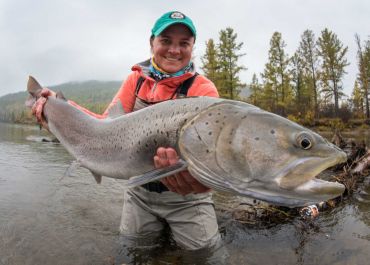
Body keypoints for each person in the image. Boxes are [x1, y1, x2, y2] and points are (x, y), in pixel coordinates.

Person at [32, 11, 221, 253]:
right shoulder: (136, 80)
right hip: (139, 195)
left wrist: (202, 184)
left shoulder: (203, 89)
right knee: (133, 250)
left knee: (207, 255)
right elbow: (105, 126)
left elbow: (211, 156)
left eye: (183, 43)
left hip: (187, 200)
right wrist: (57, 105)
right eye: (166, 41)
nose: (174, 50)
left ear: (192, 47)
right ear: (151, 42)